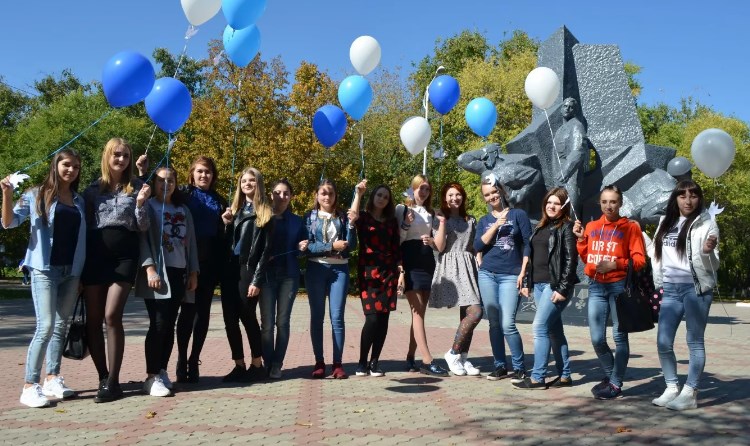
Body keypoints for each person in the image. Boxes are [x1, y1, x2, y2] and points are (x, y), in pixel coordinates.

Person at [2, 149, 86, 408]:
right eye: (66, 165)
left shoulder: (79, 200)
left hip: (71, 271)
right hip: (44, 269)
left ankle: (52, 378)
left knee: (61, 326)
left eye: (75, 166)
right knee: (46, 326)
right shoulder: (36, 194)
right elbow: (9, 222)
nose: (70, 170)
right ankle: (29, 385)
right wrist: (6, 194)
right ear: (56, 165)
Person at [82, 138, 150, 403]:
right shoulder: (90, 190)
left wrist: (142, 204)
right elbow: (83, 226)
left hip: (124, 258)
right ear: (107, 156)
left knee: (112, 315)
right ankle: (102, 377)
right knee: (93, 319)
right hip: (95, 259)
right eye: (116, 155)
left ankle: (114, 380)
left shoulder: (137, 188)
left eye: (125, 156)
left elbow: (142, 226)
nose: (121, 159)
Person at [649, 180, 719, 410]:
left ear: (699, 198)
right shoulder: (665, 222)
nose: (688, 201)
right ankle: (671, 388)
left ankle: (690, 392)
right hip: (670, 289)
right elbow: (657, 255)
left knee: (694, 341)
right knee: (663, 341)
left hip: (695, 289)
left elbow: (713, 264)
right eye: (682, 196)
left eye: (693, 196)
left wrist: (708, 251)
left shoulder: (706, 223)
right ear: (675, 198)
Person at [573, 184, 646, 400]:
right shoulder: (592, 226)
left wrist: (616, 265)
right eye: (604, 202)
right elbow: (588, 258)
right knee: (597, 338)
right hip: (595, 286)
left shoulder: (630, 227)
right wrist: (580, 239)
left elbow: (640, 261)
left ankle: (615, 384)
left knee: (619, 336)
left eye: (613, 201)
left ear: (620, 203)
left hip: (618, 287)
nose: (609, 206)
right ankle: (610, 375)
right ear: (599, 203)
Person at [135, 167, 199, 397]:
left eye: (170, 181)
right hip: (157, 274)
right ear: (154, 183)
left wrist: (193, 272)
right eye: (161, 180)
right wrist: (150, 268)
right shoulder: (149, 206)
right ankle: (151, 376)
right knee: (159, 323)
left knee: (170, 324)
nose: (166, 185)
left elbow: (190, 242)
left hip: (179, 271)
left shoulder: (182, 209)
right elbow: (142, 238)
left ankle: (162, 370)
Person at [514, 187, 578, 390]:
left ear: (564, 207)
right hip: (540, 286)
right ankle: (565, 375)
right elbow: (533, 258)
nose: (551, 206)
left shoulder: (566, 227)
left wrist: (563, 288)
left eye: (557, 203)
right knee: (554, 331)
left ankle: (538, 377)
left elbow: (570, 260)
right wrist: (527, 283)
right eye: (549, 202)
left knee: (539, 327)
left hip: (555, 286)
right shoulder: (540, 227)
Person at [474, 174, 531, 382]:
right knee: (494, 323)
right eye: (487, 195)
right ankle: (499, 366)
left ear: (501, 191)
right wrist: (497, 225)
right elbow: (478, 246)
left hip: (510, 275)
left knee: (508, 324)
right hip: (488, 274)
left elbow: (527, 244)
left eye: (494, 192)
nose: (491, 197)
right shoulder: (484, 221)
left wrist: (523, 272)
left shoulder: (518, 215)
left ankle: (519, 367)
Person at [176, 157, 227, 383]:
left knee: (202, 314)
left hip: (211, 262)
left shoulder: (220, 200)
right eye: (199, 171)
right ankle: (180, 358)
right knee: (187, 312)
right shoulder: (183, 194)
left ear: (213, 176)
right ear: (192, 173)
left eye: (207, 172)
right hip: (185, 260)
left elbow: (224, 236)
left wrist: (227, 223)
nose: (204, 175)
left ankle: (193, 359)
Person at [304, 179, 361, 379]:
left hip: (339, 270)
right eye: (323, 193)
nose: (327, 197)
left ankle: (338, 364)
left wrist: (352, 226)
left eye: (331, 193)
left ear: (336, 196)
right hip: (315, 269)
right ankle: (319, 362)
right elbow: (306, 248)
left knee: (337, 318)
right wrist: (330, 248)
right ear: (317, 196)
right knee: (317, 318)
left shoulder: (344, 217)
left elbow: (351, 247)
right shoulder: (310, 217)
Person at [220, 167, 273, 382]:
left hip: (248, 270)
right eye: (243, 181)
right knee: (229, 319)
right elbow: (226, 244)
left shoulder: (265, 212)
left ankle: (257, 363)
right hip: (229, 270)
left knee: (247, 317)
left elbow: (266, 251)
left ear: (258, 184)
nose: (247, 184)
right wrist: (225, 224)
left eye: (251, 180)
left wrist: (257, 279)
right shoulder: (234, 210)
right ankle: (239, 365)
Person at [395, 175, 448, 376]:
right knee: (417, 312)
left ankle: (410, 357)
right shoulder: (402, 209)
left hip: (427, 261)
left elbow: (440, 245)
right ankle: (427, 360)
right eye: (420, 188)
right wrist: (406, 225)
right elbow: (397, 239)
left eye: (427, 189)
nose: (423, 192)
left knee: (419, 315)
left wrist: (432, 240)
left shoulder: (430, 212)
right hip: (410, 260)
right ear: (413, 188)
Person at [430, 182, 483, 377]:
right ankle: (452, 353)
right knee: (476, 312)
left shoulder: (470, 220)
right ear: (445, 197)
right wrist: (442, 222)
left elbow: (475, 246)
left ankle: (462, 357)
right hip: (451, 266)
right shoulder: (439, 219)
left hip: (469, 266)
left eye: (458, 195)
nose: (455, 198)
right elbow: (440, 246)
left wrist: (479, 263)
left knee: (468, 313)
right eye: (450, 195)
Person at [260, 179, 308, 379]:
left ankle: (277, 363)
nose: (282, 196)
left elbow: (304, 249)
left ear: (291, 196)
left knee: (283, 322)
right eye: (278, 192)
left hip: (289, 275)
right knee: (267, 324)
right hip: (266, 276)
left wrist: (302, 248)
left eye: (286, 193)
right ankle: (267, 362)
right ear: (271, 194)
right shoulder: (262, 217)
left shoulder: (297, 221)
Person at [355, 184, 401, 377]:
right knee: (372, 318)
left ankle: (375, 362)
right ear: (373, 195)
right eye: (379, 194)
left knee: (383, 319)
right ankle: (362, 362)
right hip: (368, 273)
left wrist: (400, 271)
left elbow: (396, 246)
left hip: (389, 273)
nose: (382, 198)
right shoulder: (363, 218)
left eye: (385, 197)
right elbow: (352, 216)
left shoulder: (391, 221)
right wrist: (358, 194)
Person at [552, 97, 589, 218]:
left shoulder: (577, 126)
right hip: (559, 176)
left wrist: (565, 172)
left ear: (574, 111)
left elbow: (578, 151)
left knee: (569, 213)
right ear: (561, 108)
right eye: (565, 106)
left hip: (570, 176)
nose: (567, 109)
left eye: (571, 107)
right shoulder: (559, 130)